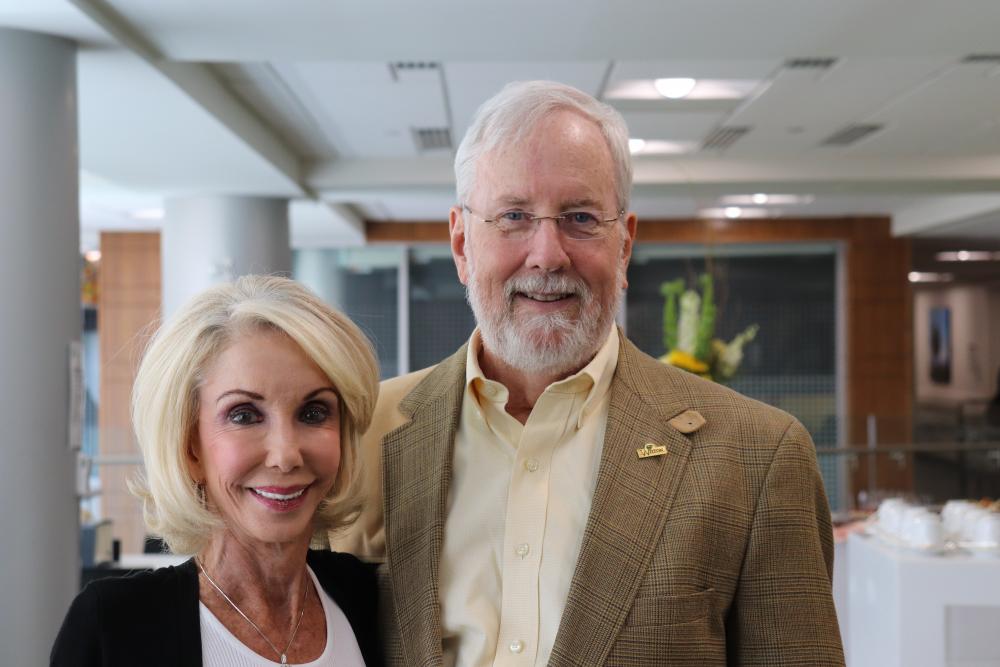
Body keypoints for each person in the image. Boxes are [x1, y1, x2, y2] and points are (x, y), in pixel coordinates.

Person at [334, 80, 844, 666]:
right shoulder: (361, 434)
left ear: (623, 246)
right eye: (514, 216)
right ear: (460, 244)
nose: (548, 254)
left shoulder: (756, 455)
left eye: (579, 217)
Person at [53, 276, 383, 666]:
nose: (286, 455)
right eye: (244, 415)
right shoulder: (114, 625)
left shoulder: (369, 598)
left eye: (314, 413)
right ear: (190, 445)